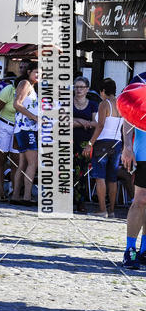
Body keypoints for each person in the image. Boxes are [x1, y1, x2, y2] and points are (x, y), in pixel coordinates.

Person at [83, 78, 123, 218]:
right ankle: (111, 210)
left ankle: (102, 209)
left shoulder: (104, 104)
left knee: (100, 177)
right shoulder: (121, 104)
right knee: (112, 178)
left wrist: (90, 143)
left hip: (103, 143)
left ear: (103, 91)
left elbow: (100, 126)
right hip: (117, 142)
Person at [121, 72, 146, 269]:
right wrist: (127, 146)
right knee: (140, 200)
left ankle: (145, 248)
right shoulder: (141, 79)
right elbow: (128, 114)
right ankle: (130, 249)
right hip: (143, 150)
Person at [11, 62, 39, 205]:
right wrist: (34, 117)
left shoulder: (32, 86)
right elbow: (17, 104)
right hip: (26, 128)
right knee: (32, 163)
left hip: (24, 128)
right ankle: (27, 197)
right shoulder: (25, 84)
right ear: (29, 72)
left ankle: (16, 195)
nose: (39, 75)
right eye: (36, 72)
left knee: (22, 163)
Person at [0, 78, 19, 201]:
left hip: (19, 127)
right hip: (3, 125)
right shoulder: (9, 90)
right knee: (0, 157)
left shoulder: (33, 92)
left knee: (16, 160)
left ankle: (14, 190)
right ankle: (1, 191)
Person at [72, 76, 98, 212]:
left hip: (84, 143)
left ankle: (80, 201)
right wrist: (82, 121)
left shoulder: (93, 104)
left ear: (87, 89)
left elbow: (96, 123)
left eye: (81, 87)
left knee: (80, 172)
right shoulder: (68, 102)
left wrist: (75, 121)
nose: (78, 90)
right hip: (67, 140)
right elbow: (64, 121)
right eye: (76, 87)